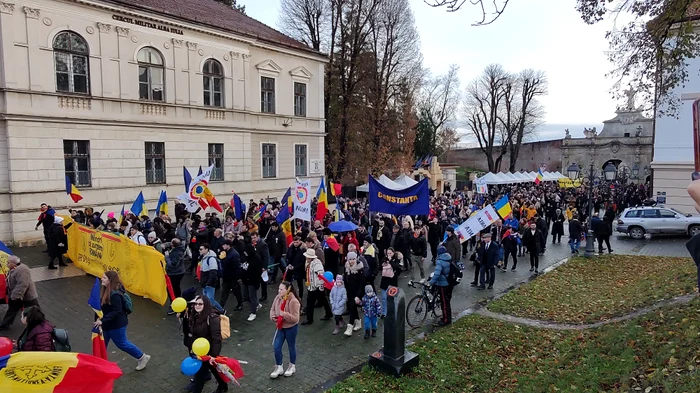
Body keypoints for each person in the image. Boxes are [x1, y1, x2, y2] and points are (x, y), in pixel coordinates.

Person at [94, 271, 150, 370]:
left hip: (116, 325)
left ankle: (142, 357)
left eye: (104, 278)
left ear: (110, 280)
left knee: (122, 343)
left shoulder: (115, 295)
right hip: (106, 324)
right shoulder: (107, 290)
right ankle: (100, 365)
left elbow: (117, 311)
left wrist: (102, 321)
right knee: (101, 344)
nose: (101, 279)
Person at [181, 295, 227, 393]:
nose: (197, 306)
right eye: (195, 304)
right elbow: (188, 331)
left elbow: (216, 338)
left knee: (200, 374)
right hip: (198, 350)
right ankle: (223, 385)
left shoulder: (212, 317)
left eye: (200, 304)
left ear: (205, 305)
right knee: (213, 368)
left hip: (208, 351)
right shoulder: (194, 315)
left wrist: (213, 356)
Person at [269, 281, 301, 379]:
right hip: (280, 327)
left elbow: (296, 318)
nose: (279, 291)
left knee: (291, 347)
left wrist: (284, 315)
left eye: (281, 289)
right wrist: (273, 316)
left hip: (291, 328)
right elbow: (272, 309)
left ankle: (292, 366)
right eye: (279, 289)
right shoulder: (278, 298)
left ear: (287, 290)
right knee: (276, 347)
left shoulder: (293, 301)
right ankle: (279, 367)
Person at [0, 256, 39, 330]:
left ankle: (39, 322)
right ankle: (5, 324)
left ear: (13, 263)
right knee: (12, 310)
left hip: (26, 296)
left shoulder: (22, 270)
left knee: (35, 309)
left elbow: (22, 284)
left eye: (8, 262)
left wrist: (15, 296)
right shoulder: (13, 269)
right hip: (17, 296)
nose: (6, 264)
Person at [300, 249, 332, 325]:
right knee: (322, 300)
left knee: (312, 302)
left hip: (315, 286)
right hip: (312, 286)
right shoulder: (309, 262)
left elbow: (321, 276)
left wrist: (319, 286)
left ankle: (310, 319)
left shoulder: (317, 264)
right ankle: (328, 313)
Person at [342, 252, 365, 336]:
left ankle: (350, 326)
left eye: (353, 259)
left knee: (352, 307)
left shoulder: (360, 269)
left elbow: (362, 284)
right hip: (349, 291)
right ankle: (358, 322)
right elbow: (345, 279)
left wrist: (358, 296)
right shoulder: (346, 267)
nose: (351, 261)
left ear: (356, 259)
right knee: (352, 307)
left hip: (357, 292)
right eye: (350, 259)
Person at [198, 243, 225, 314]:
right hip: (205, 282)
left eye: (201, 249)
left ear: (206, 250)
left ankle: (221, 310)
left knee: (210, 300)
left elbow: (213, 273)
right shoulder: (203, 258)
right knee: (206, 299)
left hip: (209, 283)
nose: (199, 250)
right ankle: (208, 311)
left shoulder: (211, 259)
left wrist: (208, 283)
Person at [429, 245, 452, 326]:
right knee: (446, 302)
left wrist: (431, 282)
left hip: (443, 284)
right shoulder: (449, 258)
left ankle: (446, 320)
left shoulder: (440, 261)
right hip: (448, 282)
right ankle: (447, 317)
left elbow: (437, 274)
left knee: (444, 303)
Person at [241, 239, 264, 321]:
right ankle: (257, 305)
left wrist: (254, 281)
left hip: (252, 281)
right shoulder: (246, 257)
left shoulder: (256, 259)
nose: (244, 253)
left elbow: (257, 273)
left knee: (252, 296)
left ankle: (253, 313)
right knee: (246, 296)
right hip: (245, 280)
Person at [219, 240, 243, 311]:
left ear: (228, 245)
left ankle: (240, 303)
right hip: (226, 276)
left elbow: (237, 267)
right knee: (225, 292)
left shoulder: (234, 254)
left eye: (224, 245)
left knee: (236, 292)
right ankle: (221, 306)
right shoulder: (226, 253)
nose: (222, 246)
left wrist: (238, 277)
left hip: (233, 277)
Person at [165, 238, 187, 315]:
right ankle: (178, 301)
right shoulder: (180, 249)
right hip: (178, 272)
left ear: (173, 245)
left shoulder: (177, 253)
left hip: (175, 273)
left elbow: (172, 264)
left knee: (171, 289)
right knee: (176, 288)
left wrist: (167, 257)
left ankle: (174, 304)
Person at [379, 248, 400, 317]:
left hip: (392, 282)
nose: (389, 255)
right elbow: (380, 267)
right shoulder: (384, 258)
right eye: (388, 253)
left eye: (390, 253)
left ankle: (393, 312)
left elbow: (397, 267)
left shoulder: (396, 259)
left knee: (392, 299)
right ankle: (384, 312)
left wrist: (391, 261)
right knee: (384, 298)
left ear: (393, 253)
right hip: (384, 281)